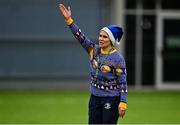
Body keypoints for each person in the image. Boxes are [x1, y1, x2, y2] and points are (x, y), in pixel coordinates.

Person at [59, 3, 128, 124]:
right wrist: (69, 20)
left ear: (111, 40)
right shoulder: (93, 50)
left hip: (111, 99)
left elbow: (122, 82)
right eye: (100, 36)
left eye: (105, 37)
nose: (101, 38)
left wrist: (123, 102)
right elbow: (80, 37)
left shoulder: (118, 59)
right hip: (95, 98)